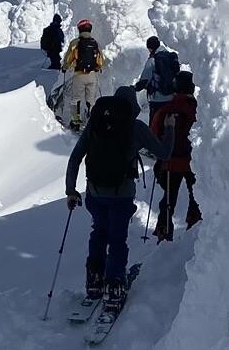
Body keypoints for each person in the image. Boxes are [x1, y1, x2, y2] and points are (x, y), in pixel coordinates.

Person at [67, 87, 173, 310]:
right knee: (117, 240)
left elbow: (76, 157)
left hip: (94, 193)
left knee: (99, 232)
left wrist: (71, 190)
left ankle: (94, 281)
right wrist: (170, 129)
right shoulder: (135, 128)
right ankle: (114, 287)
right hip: (121, 195)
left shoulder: (95, 124)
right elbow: (164, 153)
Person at [151, 70, 202, 242]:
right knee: (197, 198)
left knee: (168, 200)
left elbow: (155, 134)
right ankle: (195, 233)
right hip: (193, 163)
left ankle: (163, 232)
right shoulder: (199, 110)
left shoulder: (166, 110)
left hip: (170, 162)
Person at [61, 20, 108, 129]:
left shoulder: (75, 43)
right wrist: (97, 68)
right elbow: (101, 61)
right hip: (92, 76)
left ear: (79, 29)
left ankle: (76, 122)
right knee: (90, 100)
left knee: (76, 99)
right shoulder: (95, 43)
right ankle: (91, 122)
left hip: (79, 75)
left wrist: (64, 67)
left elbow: (68, 59)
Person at [135, 36, 182, 126]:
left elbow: (144, 81)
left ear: (151, 48)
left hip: (157, 101)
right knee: (167, 125)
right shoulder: (170, 57)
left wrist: (134, 88)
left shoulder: (153, 60)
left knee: (154, 126)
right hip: (171, 98)